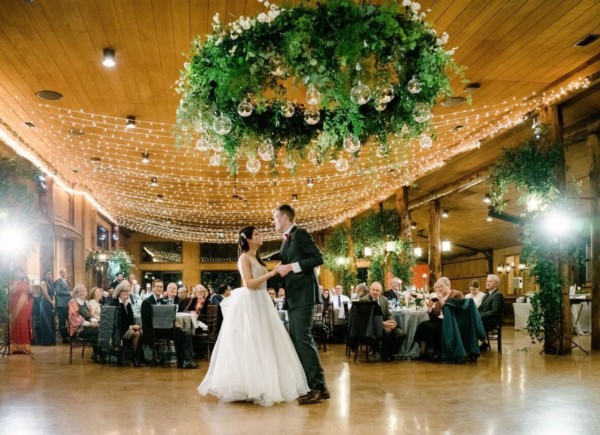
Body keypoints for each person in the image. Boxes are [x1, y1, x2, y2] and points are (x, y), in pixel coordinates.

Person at [198, 226, 309, 406]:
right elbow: (249, 283)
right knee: (253, 341)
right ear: (248, 239)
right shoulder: (244, 258)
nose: (260, 236)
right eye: (256, 234)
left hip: (263, 301)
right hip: (252, 301)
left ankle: (267, 383)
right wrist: (271, 273)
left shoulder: (257, 257)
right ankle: (250, 385)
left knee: (266, 342)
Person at [274, 204, 328, 404]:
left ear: (285, 218)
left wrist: (290, 267)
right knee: (297, 341)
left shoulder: (301, 234)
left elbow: (318, 258)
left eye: (275, 218)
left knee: (303, 340)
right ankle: (311, 386)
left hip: (304, 295)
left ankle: (319, 387)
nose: (274, 222)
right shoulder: (286, 240)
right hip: (294, 296)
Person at [140, 279, 197, 369]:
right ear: (152, 288)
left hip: (163, 329)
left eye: (161, 287)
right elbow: (148, 321)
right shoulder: (146, 302)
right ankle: (184, 361)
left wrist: (173, 323)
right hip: (153, 331)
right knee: (179, 333)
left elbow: (168, 316)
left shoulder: (163, 302)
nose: (159, 288)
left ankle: (186, 361)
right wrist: (167, 324)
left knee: (184, 333)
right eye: (157, 286)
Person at [414, 277, 463, 362]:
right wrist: (429, 306)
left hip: (451, 321)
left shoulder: (456, 294)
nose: (439, 289)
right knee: (423, 325)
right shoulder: (439, 297)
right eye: (438, 287)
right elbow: (434, 316)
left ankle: (435, 352)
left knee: (434, 328)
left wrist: (443, 302)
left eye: (441, 286)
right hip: (439, 320)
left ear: (448, 285)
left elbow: (456, 311)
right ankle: (422, 352)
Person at [360, 281, 407, 361]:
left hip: (386, 322)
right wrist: (383, 323)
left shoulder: (384, 299)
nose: (375, 292)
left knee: (401, 334)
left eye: (377, 290)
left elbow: (388, 313)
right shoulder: (364, 300)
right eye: (373, 290)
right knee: (387, 331)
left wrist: (392, 321)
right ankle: (385, 356)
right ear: (370, 290)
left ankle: (390, 352)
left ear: (381, 291)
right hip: (372, 326)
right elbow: (366, 319)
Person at [112, 282, 143, 367]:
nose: (126, 293)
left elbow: (131, 320)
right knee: (136, 333)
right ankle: (134, 357)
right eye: (123, 291)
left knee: (140, 332)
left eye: (127, 291)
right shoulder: (116, 303)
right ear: (119, 292)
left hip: (127, 328)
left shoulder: (128, 304)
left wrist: (133, 326)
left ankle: (135, 356)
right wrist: (132, 327)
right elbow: (117, 322)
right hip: (118, 330)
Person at [67, 283, 101, 361]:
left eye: (83, 291)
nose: (82, 293)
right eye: (80, 291)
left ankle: (97, 354)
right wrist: (90, 324)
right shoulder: (73, 302)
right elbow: (76, 319)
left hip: (88, 326)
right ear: (76, 293)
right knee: (98, 331)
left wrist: (94, 322)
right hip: (79, 329)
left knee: (101, 329)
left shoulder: (86, 302)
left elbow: (91, 316)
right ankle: (97, 354)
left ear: (86, 292)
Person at [8, 268, 34, 353]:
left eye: (21, 272)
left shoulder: (25, 282)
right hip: (14, 306)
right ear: (14, 273)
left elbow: (30, 292)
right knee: (15, 324)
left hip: (24, 306)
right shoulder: (11, 281)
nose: (19, 273)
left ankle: (24, 347)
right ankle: (14, 347)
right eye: (17, 271)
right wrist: (16, 282)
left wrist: (28, 281)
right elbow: (11, 291)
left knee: (23, 324)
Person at [478, 274, 504, 351]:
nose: (487, 283)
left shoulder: (498, 295)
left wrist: (480, 316)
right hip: (484, 319)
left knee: (471, 324)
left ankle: (477, 345)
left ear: (496, 284)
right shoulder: (486, 295)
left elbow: (494, 311)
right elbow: (480, 309)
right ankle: (481, 343)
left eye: (490, 281)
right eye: (487, 281)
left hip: (491, 321)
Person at [37, 270, 56, 346]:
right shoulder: (43, 282)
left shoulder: (51, 283)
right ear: (44, 275)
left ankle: (51, 341)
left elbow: (53, 294)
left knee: (51, 321)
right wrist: (51, 302)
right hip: (45, 303)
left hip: (50, 302)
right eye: (48, 274)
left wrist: (53, 302)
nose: (50, 275)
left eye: (50, 274)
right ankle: (46, 342)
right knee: (46, 322)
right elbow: (45, 294)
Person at [54, 268, 72, 344]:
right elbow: (58, 292)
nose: (64, 273)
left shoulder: (67, 281)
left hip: (68, 304)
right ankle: (64, 338)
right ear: (60, 273)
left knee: (69, 320)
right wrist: (69, 293)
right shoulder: (57, 282)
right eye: (62, 272)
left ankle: (70, 336)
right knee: (62, 322)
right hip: (61, 305)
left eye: (65, 272)